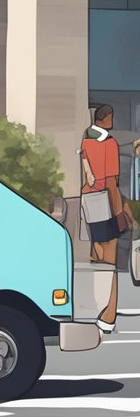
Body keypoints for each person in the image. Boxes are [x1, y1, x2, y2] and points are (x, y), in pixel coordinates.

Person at [80, 104, 126, 334]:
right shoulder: (110, 144)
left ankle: (93, 309)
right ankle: (108, 316)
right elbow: (111, 182)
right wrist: (119, 213)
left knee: (95, 257)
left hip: (87, 201)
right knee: (111, 262)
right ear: (106, 118)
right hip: (105, 203)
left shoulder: (85, 141)